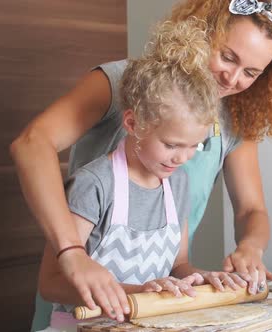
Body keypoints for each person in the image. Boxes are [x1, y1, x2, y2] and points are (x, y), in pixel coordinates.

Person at [10, 0, 272, 328]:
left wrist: (250, 248)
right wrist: (71, 252)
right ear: (202, 33)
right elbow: (32, 144)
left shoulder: (233, 121)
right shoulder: (126, 85)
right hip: (76, 301)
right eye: (228, 57)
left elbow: (250, 211)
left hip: (150, 307)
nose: (232, 78)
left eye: (251, 73)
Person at [37, 19, 246, 332]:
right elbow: (51, 283)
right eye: (171, 145)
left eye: (195, 146)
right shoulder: (94, 185)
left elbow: (178, 264)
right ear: (133, 124)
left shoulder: (178, 182)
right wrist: (135, 293)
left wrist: (200, 279)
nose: (183, 158)